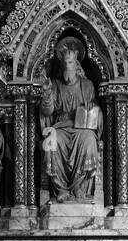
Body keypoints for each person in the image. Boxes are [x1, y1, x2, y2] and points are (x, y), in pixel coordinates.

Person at [39, 37, 102, 201]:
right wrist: (46, 94)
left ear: (77, 65)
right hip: (60, 126)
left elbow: (97, 110)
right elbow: (47, 111)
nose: (68, 66)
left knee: (89, 140)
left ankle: (79, 187)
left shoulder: (87, 85)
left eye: (71, 63)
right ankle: (61, 189)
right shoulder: (54, 84)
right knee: (51, 144)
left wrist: (91, 108)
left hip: (82, 128)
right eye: (65, 63)